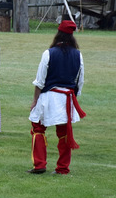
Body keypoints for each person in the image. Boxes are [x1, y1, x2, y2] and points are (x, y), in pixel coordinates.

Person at [27, 20, 85, 175]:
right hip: (67, 98)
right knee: (64, 133)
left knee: (38, 128)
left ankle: (39, 164)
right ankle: (62, 168)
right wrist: (75, 98)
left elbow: (40, 80)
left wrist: (35, 100)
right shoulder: (78, 55)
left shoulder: (49, 53)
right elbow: (80, 80)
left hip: (49, 96)